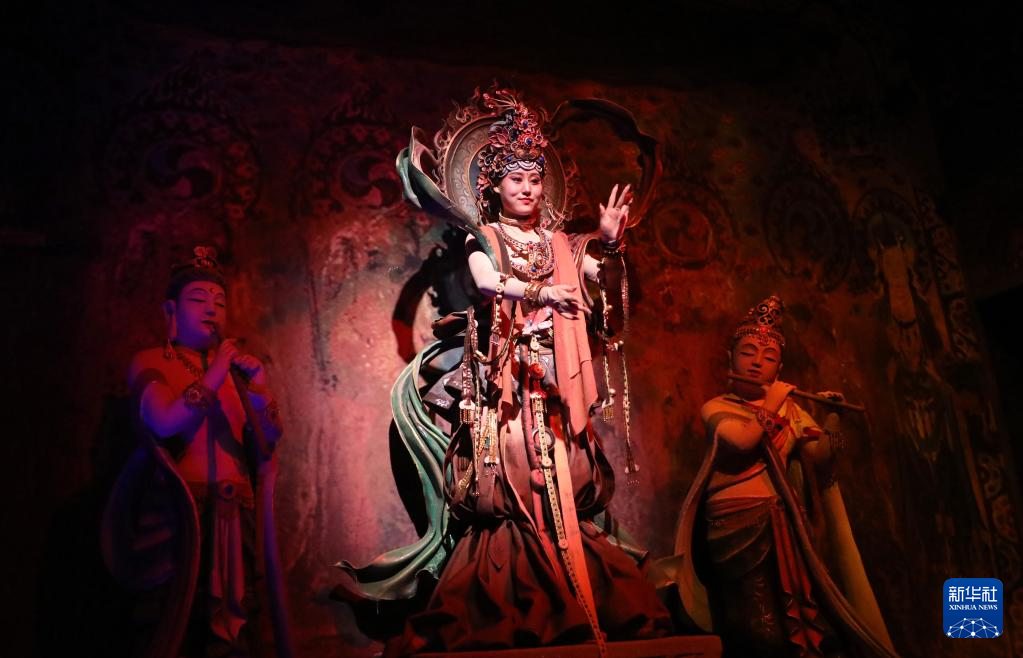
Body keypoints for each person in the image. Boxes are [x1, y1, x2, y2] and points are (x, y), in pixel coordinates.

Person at [339, 89, 671, 655]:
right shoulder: (485, 238)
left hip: (557, 382)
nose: (527, 188)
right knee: (517, 482)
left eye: (535, 179)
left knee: (565, 475)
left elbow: (602, 283)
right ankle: (518, 596)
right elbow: (488, 282)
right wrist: (543, 294)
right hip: (508, 383)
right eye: (515, 178)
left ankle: (576, 588)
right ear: (493, 184)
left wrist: (612, 245)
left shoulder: (562, 244)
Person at [661, 296, 898, 658]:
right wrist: (772, 403)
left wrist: (833, 418)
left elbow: (820, 456)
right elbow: (744, 441)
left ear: (779, 367)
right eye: (748, 353)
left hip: (782, 525)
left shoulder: (792, 410)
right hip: (733, 528)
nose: (757, 362)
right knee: (759, 628)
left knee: (797, 625)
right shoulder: (717, 407)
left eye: (768, 358)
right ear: (730, 358)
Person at [102, 246, 293, 658]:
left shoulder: (235, 374)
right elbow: (163, 421)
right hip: (179, 513)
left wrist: (259, 389)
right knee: (174, 620)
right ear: (171, 310)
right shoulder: (151, 361)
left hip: (235, 512)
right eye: (198, 300)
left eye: (220, 302)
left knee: (234, 627)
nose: (211, 310)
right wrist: (216, 372)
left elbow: (269, 440)